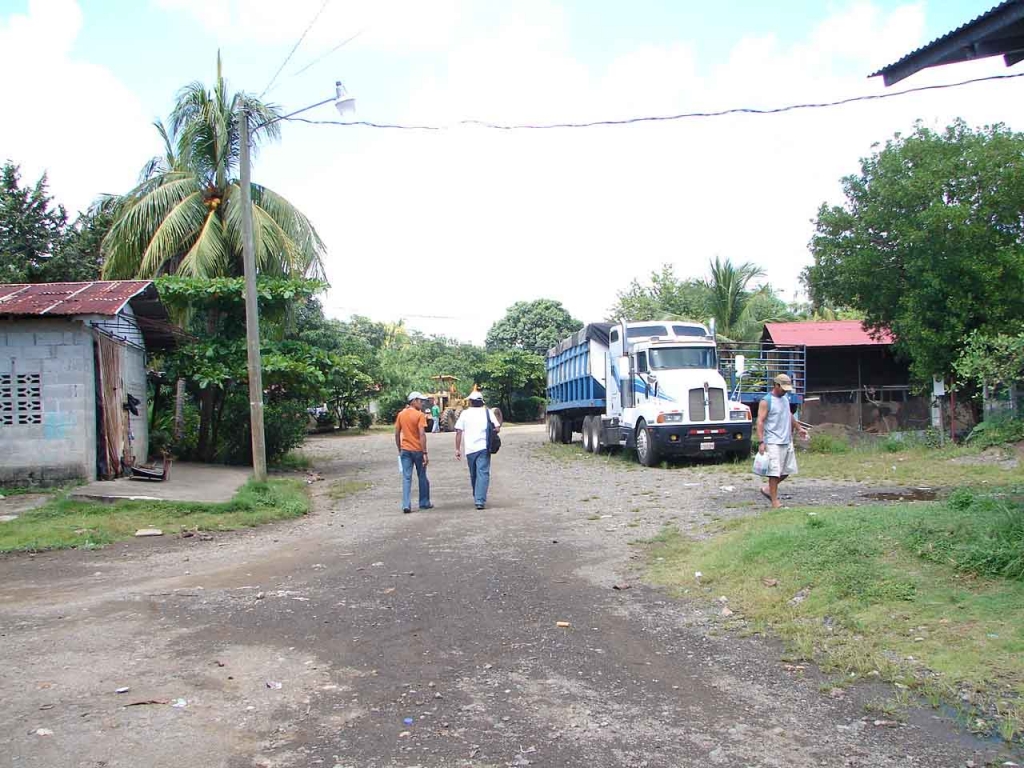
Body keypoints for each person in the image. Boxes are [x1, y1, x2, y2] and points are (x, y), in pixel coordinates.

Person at [756, 373, 809, 509]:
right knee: (774, 473)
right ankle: (775, 502)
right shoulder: (766, 401)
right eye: (783, 387)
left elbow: (789, 414)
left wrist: (799, 428)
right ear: (776, 385)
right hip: (773, 442)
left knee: (787, 470)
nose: (785, 390)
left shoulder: (785, 398)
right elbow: (760, 421)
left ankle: (767, 489)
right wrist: (761, 442)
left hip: (786, 440)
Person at [454, 390, 499, 510]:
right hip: (484, 447)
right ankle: (479, 499)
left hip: (470, 449)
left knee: (474, 474)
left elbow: (458, 431)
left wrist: (457, 449)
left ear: (471, 402)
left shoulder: (465, 414)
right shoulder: (488, 412)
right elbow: (497, 427)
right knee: (483, 473)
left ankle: (478, 497)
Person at [395, 392, 433, 514]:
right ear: (414, 401)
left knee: (406, 478)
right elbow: (422, 434)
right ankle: (424, 503)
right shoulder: (419, 415)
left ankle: (406, 504)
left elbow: (396, 433)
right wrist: (425, 452)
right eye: (420, 401)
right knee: (422, 476)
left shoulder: (401, 414)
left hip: (405, 450)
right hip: (417, 450)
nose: (422, 403)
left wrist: (399, 449)